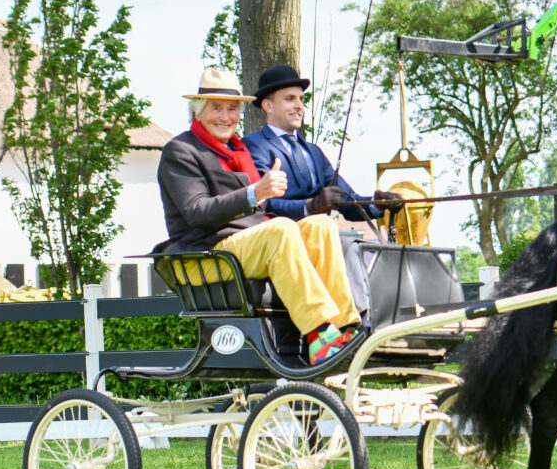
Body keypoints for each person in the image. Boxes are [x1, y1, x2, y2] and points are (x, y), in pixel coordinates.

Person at [156, 67, 360, 365]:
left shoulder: (238, 152)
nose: (226, 117)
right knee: (279, 230)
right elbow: (196, 211)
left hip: (245, 246)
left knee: (319, 224)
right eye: (217, 109)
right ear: (198, 112)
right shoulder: (181, 151)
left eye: (232, 109)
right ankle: (321, 334)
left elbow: (263, 210)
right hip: (208, 253)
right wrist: (254, 193)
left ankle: (344, 327)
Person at [242, 64, 402, 224]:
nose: (299, 106)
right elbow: (261, 202)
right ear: (268, 106)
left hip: (320, 235)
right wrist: (311, 206)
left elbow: (348, 202)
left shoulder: (314, 152)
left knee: (358, 247)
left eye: (301, 99)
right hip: (281, 238)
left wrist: (378, 203)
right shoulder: (254, 146)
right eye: (290, 98)